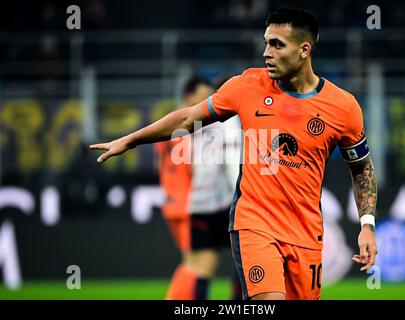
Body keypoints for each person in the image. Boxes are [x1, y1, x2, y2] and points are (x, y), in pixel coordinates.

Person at [90, 8, 378, 300]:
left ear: (304, 50)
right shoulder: (247, 86)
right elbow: (187, 119)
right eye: (266, 42)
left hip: (306, 232)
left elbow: (362, 169)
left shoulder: (343, 107)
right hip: (255, 223)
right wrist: (132, 140)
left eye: (277, 44)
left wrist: (366, 225)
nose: (267, 52)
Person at [153, 76, 242, 300]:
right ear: (189, 97)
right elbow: (197, 167)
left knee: (197, 266)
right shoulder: (197, 128)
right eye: (202, 97)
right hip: (195, 202)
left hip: (180, 202)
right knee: (204, 266)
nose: (207, 102)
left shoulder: (169, 125)